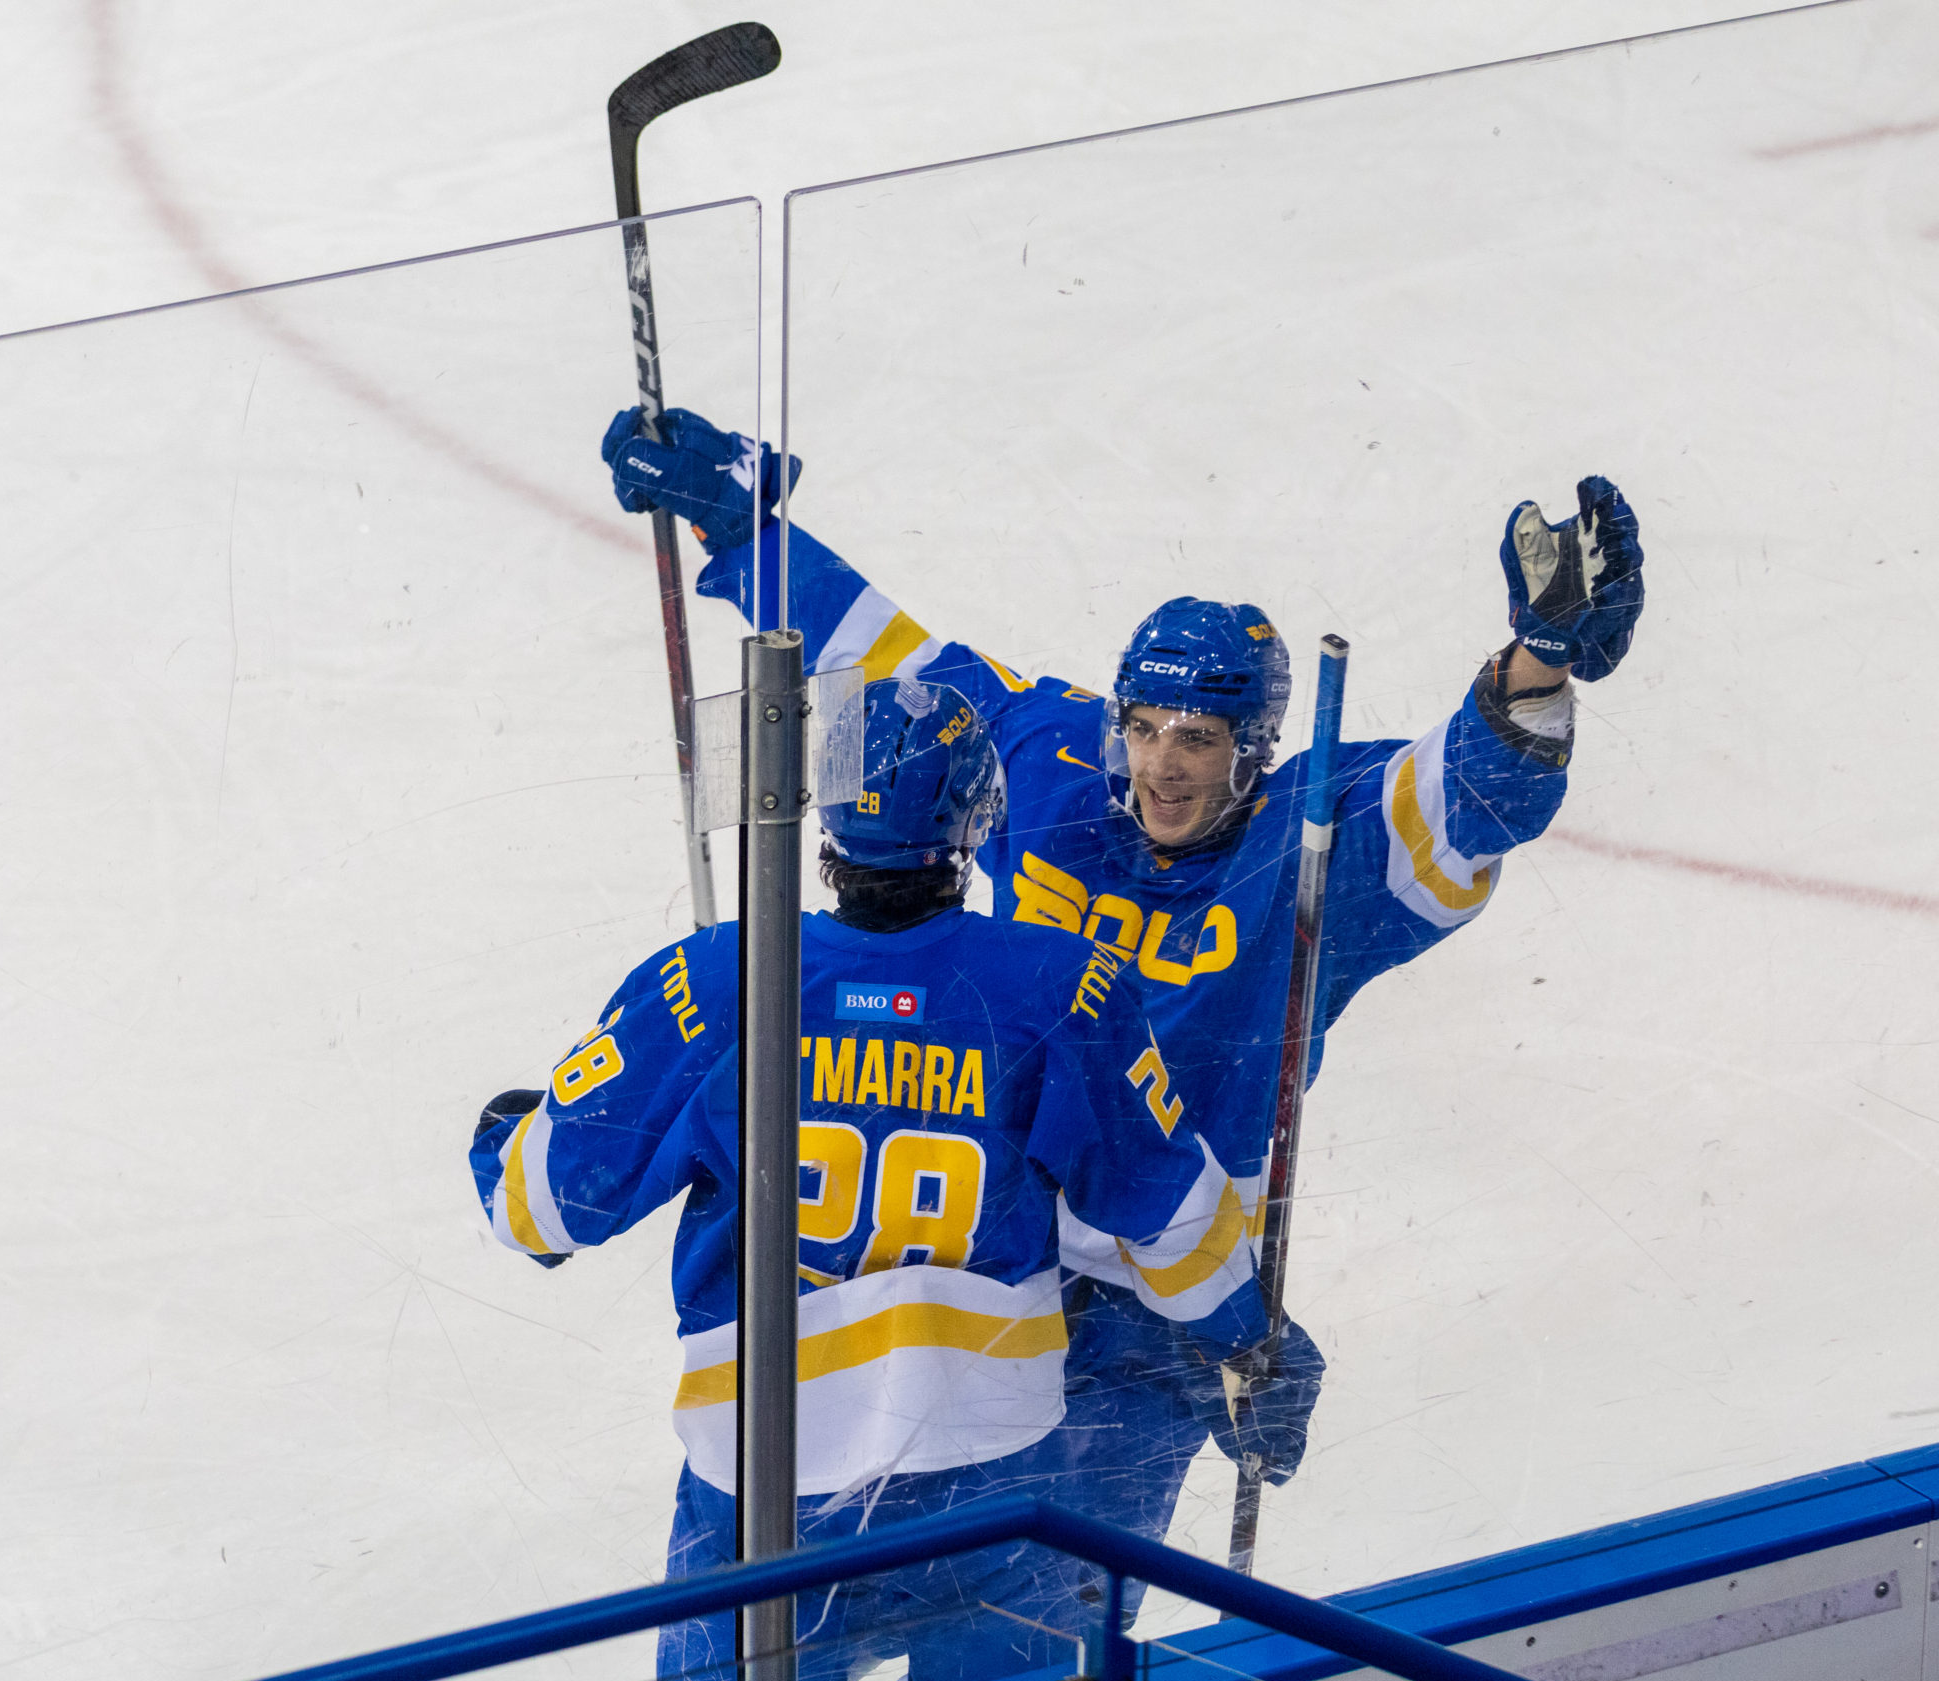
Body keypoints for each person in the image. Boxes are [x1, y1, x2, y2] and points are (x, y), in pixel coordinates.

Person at [597, 403, 1644, 1600]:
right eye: (1141, 728)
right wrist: (747, 527)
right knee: (883, 1590)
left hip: (1171, 1308)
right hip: (1002, 1261)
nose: (1158, 765)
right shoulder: (1050, 761)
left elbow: (1470, 791)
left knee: (1051, 1625)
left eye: (1195, 738)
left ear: (1252, 746)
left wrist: (1537, 662)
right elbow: (886, 662)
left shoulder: (1314, 844)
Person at [469, 676, 1315, 1681]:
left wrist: (508, 1139)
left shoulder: (711, 984)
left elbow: (544, 1211)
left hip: (770, 1501)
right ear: (975, 814)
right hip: (997, 1499)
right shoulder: (1060, 985)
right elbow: (1167, 1220)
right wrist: (1248, 1342)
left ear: (820, 808)